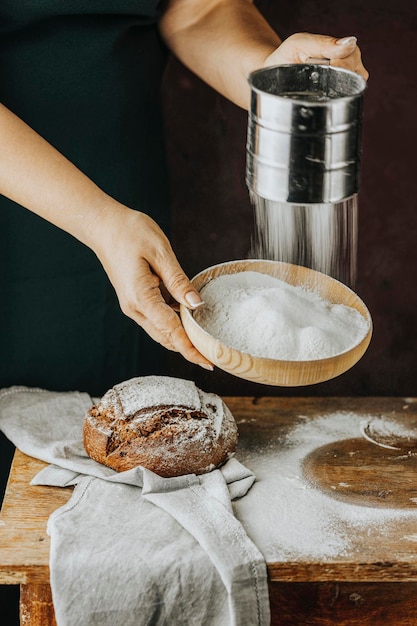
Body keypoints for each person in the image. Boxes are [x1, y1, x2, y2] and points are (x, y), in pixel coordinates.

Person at [0, 2, 367, 621]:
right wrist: (96, 219)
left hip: (124, 219)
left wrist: (271, 75)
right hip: (50, 216)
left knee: (126, 498)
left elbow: (198, 12)